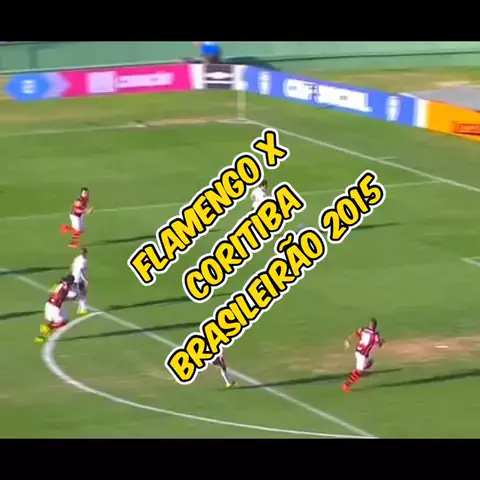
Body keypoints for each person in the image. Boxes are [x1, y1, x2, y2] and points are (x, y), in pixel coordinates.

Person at [342, 318, 384, 392]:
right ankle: (346, 385)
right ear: (375, 326)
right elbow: (379, 344)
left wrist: (349, 338)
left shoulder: (364, 330)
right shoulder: (375, 335)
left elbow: (358, 333)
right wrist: (382, 341)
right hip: (362, 355)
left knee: (370, 361)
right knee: (359, 371)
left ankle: (360, 369)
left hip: (359, 351)